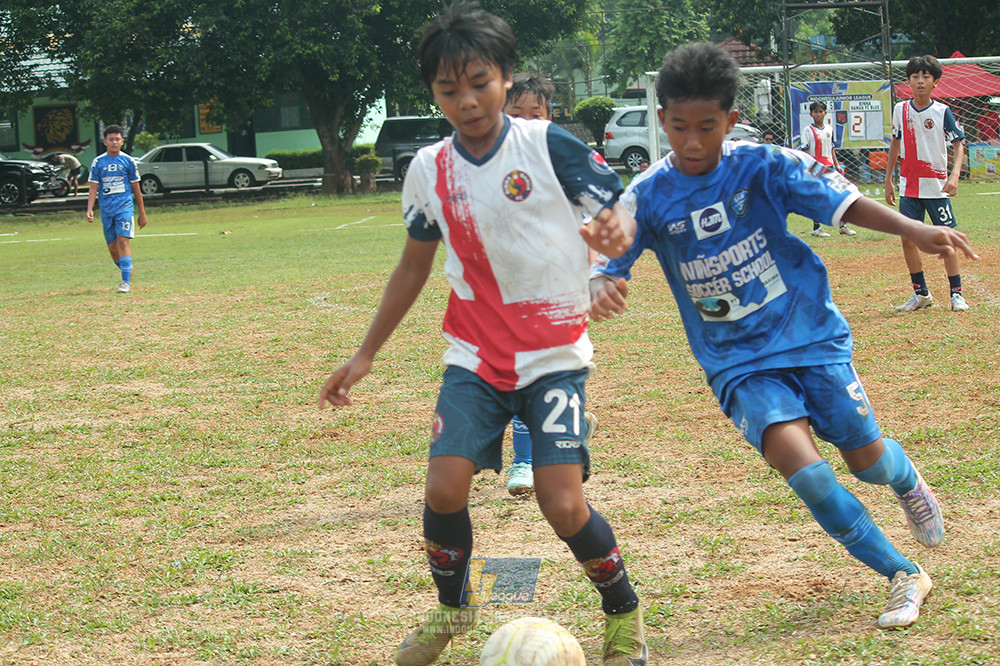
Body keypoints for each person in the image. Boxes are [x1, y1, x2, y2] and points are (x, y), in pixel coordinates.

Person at [590, 42, 978, 631]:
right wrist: (601, 284)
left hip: (809, 334)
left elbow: (843, 203)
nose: (691, 142)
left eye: (706, 127)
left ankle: (906, 481)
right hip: (737, 362)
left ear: (730, 120)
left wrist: (913, 228)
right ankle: (903, 573)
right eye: (678, 127)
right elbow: (606, 259)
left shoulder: (764, 164)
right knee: (809, 473)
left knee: (866, 460)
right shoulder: (645, 194)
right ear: (662, 117)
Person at [318, 3, 647, 665]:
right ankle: (453, 608)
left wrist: (614, 245)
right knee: (443, 487)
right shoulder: (428, 169)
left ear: (505, 77)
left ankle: (623, 612)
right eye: (448, 89)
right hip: (473, 358)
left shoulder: (547, 145)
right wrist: (365, 353)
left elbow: (616, 218)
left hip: (555, 358)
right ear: (432, 92)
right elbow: (413, 266)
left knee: (562, 504)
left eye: (479, 83)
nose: (466, 101)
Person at [501, 72, 599, 497]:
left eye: (535, 114)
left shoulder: (566, 163)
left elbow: (588, 226)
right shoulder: (486, 164)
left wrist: (587, 280)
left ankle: (542, 453)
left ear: (549, 117)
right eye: (516, 113)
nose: (525, 122)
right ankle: (540, 451)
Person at [885, 55, 970, 312]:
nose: (920, 81)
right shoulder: (900, 110)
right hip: (909, 187)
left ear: (935, 82)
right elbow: (895, 143)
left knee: (945, 239)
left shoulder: (942, 112)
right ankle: (921, 294)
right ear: (909, 81)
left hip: (936, 187)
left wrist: (954, 175)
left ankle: (956, 294)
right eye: (915, 76)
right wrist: (888, 179)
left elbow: (959, 145)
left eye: (926, 76)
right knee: (907, 239)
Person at [86, 124, 148, 293]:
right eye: (111, 139)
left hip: (124, 207)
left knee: (122, 241)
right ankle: (127, 269)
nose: (114, 142)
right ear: (105, 142)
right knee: (113, 250)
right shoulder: (98, 162)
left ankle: (125, 282)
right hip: (106, 209)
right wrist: (90, 208)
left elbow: (136, 188)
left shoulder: (128, 161)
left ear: (122, 141)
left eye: (117, 139)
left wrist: (142, 213)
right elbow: (93, 187)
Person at [800, 101, 855, 237]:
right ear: (811, 114)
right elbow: (805, 150)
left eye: (821, 111)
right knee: (819, 197)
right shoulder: (808, 130)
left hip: (829, 165)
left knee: (838, 195)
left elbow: (831, 149)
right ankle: (816, 228)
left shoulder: (829, 129)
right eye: (815, 112)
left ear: (825, 113)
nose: (818, 114)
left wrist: (837, 165)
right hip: (816, 167)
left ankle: (842, 225)